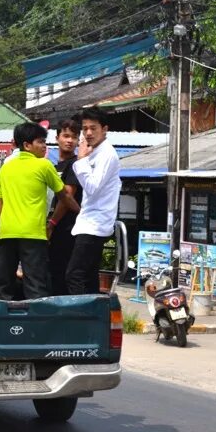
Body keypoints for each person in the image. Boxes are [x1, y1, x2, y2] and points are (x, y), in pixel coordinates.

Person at [0, 122, 78, 300]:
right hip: (33, 234)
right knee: (36, 284)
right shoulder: (44, 166)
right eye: (40, 142)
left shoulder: (5, 168)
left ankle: (2, 323)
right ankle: (36, 323)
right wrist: (80, 210)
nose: (45, 146)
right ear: (27, 145)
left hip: (7, 233)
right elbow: (64, 196)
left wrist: (5, 224)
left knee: (2, 284)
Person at [66, 106, 121, 295]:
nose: (88, 133)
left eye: (93, 128)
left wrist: (80, 161)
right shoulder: (94, 152)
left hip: (95, 225)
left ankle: (80, 320)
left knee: (74, 275)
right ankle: (94, 318)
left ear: (104, 129)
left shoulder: (107, 154)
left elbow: (92, 187)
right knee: (88, 277)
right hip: (89, 222)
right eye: (85, 128)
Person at [46, 118, 83, 295]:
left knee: (64, 274)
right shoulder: (53, 167)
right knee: (53, 273)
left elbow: (66, 197)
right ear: (57, 138)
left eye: (74, 137)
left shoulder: (75, 164)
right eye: (66, 136)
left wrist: (51, 224)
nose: (69, 140)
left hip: (68, 228)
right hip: (53, 228)